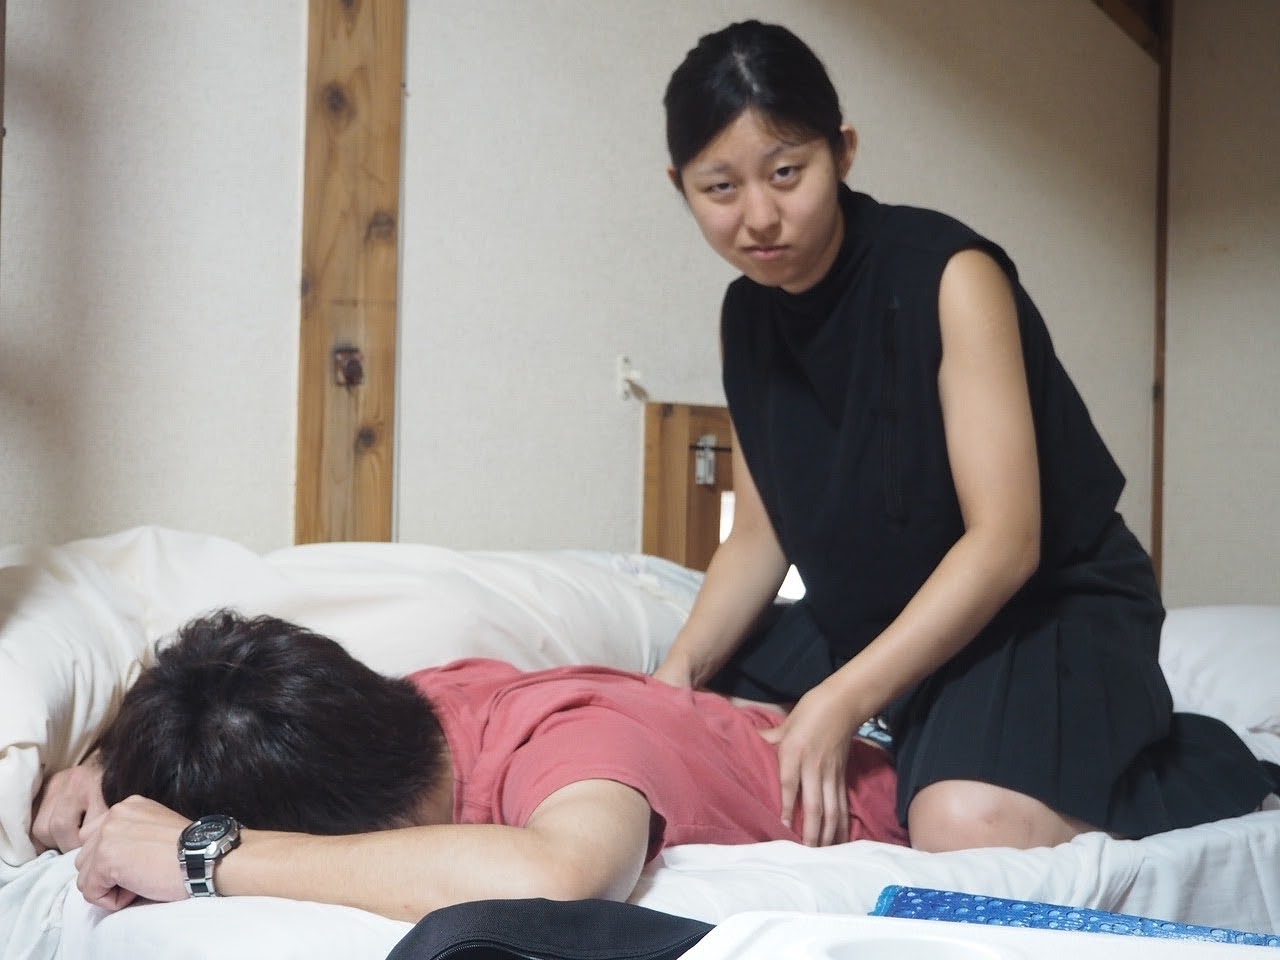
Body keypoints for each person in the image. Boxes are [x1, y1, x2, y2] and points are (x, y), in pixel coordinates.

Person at [651, 19, 1279, 853]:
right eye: (720, 188)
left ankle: (1213, 765)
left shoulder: (948, 274)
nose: (760, 217)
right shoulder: (745, 316)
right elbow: (760, 536)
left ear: (843, 151)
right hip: (879, 614)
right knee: (705, 719)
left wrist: (841, 701)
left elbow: (1007, 544)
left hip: (1040, 609)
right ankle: (913, 715)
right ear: (681, 186)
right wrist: (674, 678)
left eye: (787, 173)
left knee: (961, 824)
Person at [37, 609, 905, 921]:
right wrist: (108, 768)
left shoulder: (569, 746)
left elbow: (564, 878)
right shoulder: (407, 705)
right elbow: (224, 685)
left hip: (894, 799)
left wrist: (210, 856)